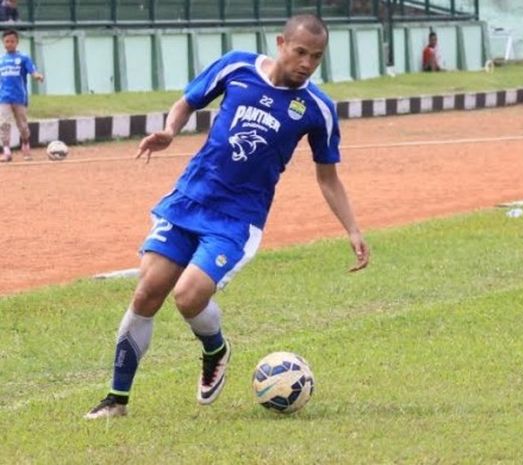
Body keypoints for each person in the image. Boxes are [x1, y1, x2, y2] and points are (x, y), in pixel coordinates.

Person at [84, 14, 370, 419]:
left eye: (316, 57)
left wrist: (353, 229)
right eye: (300, 52)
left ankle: (215, 348)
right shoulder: (237, 66)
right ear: (281, 43)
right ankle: (116, 401)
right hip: (189, 198)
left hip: (237, 218)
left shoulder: (317, 108)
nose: (306, 63)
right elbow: (188, 101)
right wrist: (169, 131)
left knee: (188, 295)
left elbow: (328, 178)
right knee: (148, 291)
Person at [0, 29, 43, 162]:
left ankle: (25, 144)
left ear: (17, 42)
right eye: (7, 41)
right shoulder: (1, 60)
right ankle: (6, 150)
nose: (9, 44)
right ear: (3, 43)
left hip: (19, 98)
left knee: (22, 125)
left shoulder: (23, 58)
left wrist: (37, 76)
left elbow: (32, 71)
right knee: (3, 123)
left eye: (12, 41)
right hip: (3, 98)